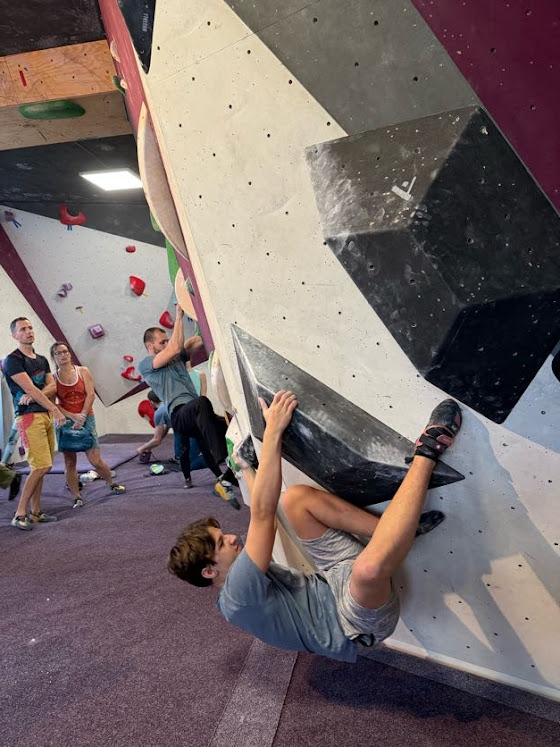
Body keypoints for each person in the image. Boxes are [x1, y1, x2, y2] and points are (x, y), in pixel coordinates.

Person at [167, 391, 462, 662]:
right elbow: (262, 515)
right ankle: (428, 450)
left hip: (332, 578)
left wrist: (246, 468)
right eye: (221, 543)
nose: (232, 538)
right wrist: (273, 431)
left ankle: (398, 529)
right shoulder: (237, 595)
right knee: (367, 570)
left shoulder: (236, 584)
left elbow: (267, 516)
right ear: (209, 571)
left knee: (294, 501)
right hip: (354, 622)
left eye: (223, 536)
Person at [138, 305, 239, 509]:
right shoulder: (147, 364)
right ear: (150, 346)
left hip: (195, 414)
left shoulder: (177, 358)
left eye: (167, 340)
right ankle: (218, 461)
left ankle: (227, 478)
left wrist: (200, 310)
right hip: (179, 415)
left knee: (233, 428)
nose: (167, 343)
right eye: (162, 342)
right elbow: (175, 347)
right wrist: (178, 316)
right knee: (187, 441)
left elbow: (197, 341)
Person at [2, 317, 66, 530]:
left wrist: (35, 395)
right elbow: (29, 387)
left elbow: (52, 386)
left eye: (30, 328)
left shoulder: (42, 360)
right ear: (15, 335)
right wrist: (54, 408)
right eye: (23, 329)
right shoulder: (12, 360)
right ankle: (20, 513)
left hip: (44, 414)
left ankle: (36, 512)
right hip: (29, 417)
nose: (28, 331)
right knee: (40, 466)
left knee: (44, 466)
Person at [50, 342, 126, 508]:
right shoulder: (53, 378)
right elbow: (53, 404)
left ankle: (111, 483)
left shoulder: (83, 371)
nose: (63, 355)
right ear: (54, 357)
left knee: (95, 460)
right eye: (58, 353)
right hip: (66, 420)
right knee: (70, 462)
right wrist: (72, 416)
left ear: (70, 353)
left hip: (86, 417)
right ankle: (76, 496)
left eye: (65, 351)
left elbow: (90, 395)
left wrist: (82, 416)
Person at [137, 389, 208, 479]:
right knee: (179, 455)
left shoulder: (159, 413)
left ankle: (211, 459)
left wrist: (142, 448)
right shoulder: (170, 404)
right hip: (196, 427)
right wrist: (149, 447)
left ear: (151, 402)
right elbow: (163, 433)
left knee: (185, 466)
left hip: (193, 432)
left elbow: (157, 439)